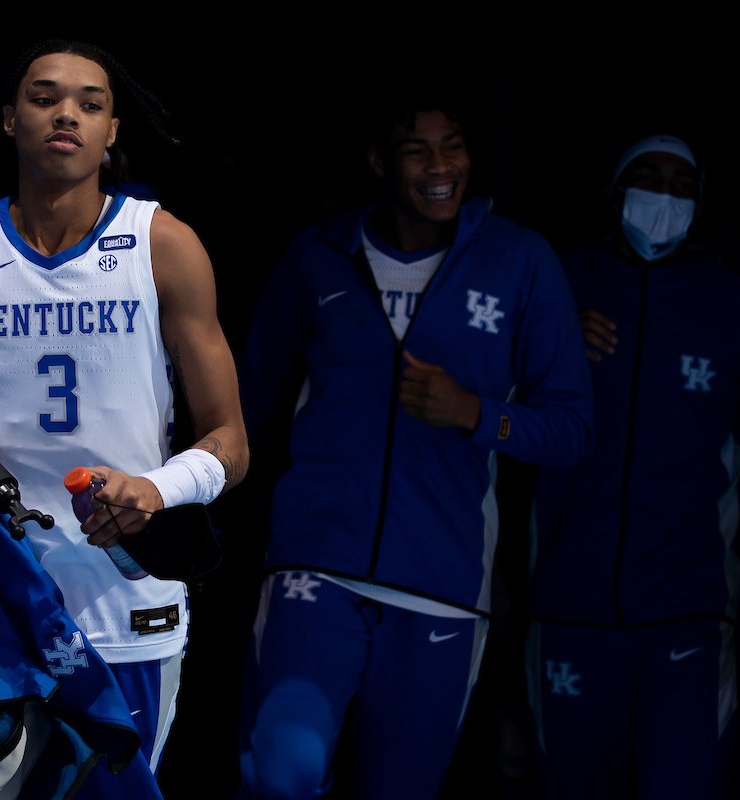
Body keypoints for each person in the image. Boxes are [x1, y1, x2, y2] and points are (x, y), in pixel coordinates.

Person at [0, 39, 248, 797]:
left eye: (90, 102)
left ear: (112, 134)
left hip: (124, 600)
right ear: (10, 120)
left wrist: (157, 488)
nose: (65, 114)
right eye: (43, 98)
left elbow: (230, 442)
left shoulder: (164, 246)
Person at [235, 94, 594, 800]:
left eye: (453, 145)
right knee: (281, 775)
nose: (440, 166)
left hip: (444, 584)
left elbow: (572, 430)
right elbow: (250, 402)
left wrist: (475, 414)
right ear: (378, 161)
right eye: (416, 148)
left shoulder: (520, 261)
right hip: (317, 566)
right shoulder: (318, 253)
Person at [527, 134, 740, 799]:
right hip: (567, 606)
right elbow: (481, 398)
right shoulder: (555, 279)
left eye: (682, 185)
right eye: (647, 178)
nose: (664, 196)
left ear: (701, 203)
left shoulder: (736, 305)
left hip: (690, 607)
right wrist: (549, 343)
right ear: (612, 193)